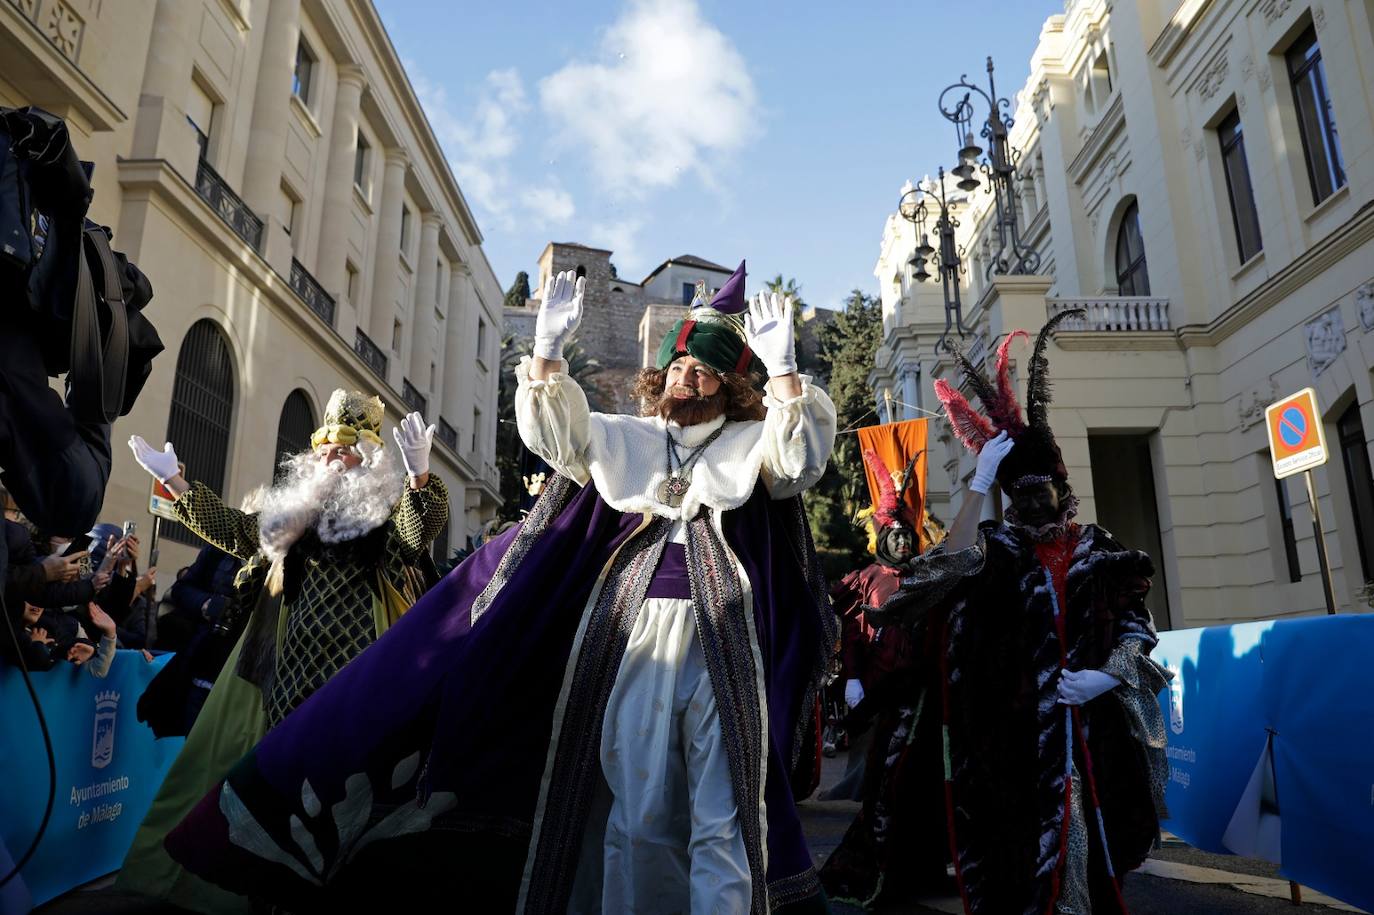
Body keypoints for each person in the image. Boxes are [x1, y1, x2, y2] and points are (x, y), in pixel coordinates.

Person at [159, 263, 839, 914]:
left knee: (720, 807)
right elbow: (562, 435)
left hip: (720, 640)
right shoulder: (628, 435)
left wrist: (784, 373)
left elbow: (797, 460)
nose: (690, 381)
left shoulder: (753, 441)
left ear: (729, 384)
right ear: (664, 373)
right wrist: (545, 352)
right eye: (683, 368)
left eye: (707, 371)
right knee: (633, 806)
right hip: (633, 644)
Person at [876, 311, 1171, 915]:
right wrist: (977, 486)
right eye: (1020, 491)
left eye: (1043, 488)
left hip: (1091, 736)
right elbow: (930, 577)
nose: (1034, 500)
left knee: (1091, 859)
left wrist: (1109, 675)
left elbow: (1139, 624)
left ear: (1063, 489)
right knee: (1017, 871)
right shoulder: (994, 553)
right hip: (1011, 746)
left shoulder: (1102, 549)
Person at [117, 391, 449, 914]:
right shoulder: (290, 523)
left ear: (366, 461)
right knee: (277, 807)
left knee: (340, 809)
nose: (332, 460)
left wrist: (420, 479)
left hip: (353, 695)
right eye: (327, 450)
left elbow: (416, 534)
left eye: (346, 452)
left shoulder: (380, 527)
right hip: (285, 692)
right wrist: (175, 483)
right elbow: (234, 530)